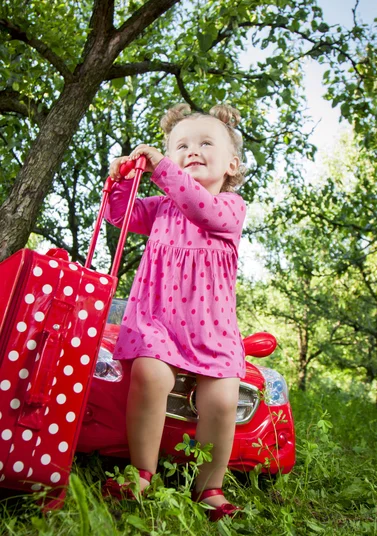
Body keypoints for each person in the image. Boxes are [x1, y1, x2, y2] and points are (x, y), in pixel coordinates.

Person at [103, 103, 247, 520]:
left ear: (232, 164)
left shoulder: (231, 208)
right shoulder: (162, 207)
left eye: (206, 143)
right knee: (149, 375)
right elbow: (120, 215)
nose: (192, 151)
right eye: (181, 145)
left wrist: (164, 167)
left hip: (213, 330)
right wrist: (123, 180)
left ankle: (209, 486)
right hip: (158, 323)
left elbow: (198, 204)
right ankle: (141, 472)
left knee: (222, 399)